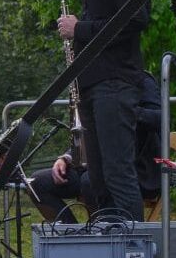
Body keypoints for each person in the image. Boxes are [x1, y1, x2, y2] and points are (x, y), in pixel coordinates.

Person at [57, 0, 150, 220]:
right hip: (95, 83)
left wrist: (78, 29)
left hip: (115, 82)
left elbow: (137, 17)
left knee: (117, 174)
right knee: (98, 180)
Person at [28, 70, 161, 223]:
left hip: (135, 170)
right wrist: (66, 158)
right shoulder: (91, 83)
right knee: (37, 183)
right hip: (93, 165)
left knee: (90, 180)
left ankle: (101, 237)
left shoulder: (141, 79)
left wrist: (124, 112)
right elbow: (88, 132)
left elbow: (161, 118)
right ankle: (72, 237)